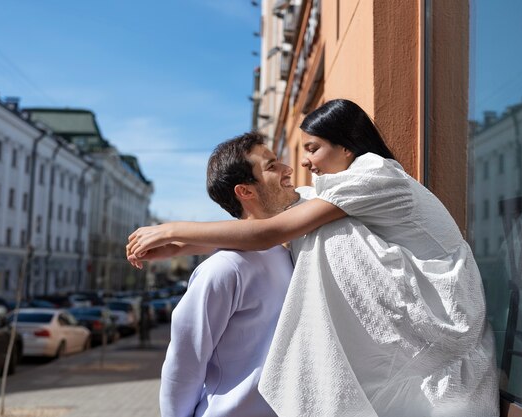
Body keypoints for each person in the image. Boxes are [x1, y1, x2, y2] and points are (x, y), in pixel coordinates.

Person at [127, 99, 499, 417]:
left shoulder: (375, 176)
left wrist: (172, 229)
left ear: (347, 147)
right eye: (278, 163)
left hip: (442, 313)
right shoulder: (230, 266)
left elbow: (271, 230)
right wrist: (184, 247)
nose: (300, 164)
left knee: (322, 233)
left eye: (313, 148)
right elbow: (185, 358)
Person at [151, 132, 297, 417]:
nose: (288, 169)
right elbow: (185, 363)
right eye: (271, 166)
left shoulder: (289, 253)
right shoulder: (223, 269)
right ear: (245, 191)